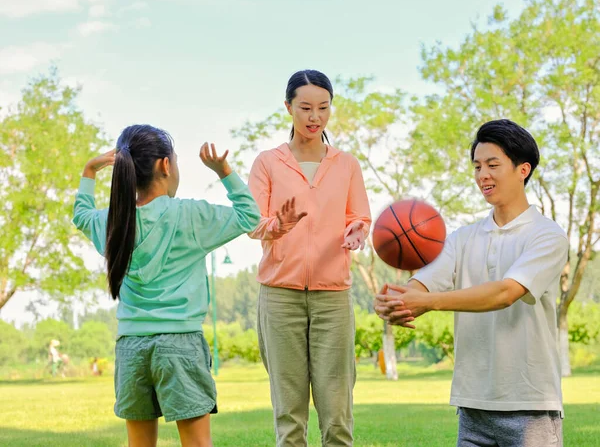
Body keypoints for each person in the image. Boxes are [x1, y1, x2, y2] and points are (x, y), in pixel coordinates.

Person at [375, 119, 568, 447]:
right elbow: (424, 284)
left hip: (531, 405)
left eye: (493, 165)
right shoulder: (462, 238)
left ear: (523, 169)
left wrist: (428, 303)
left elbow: (506, 292)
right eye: (477, 166)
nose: (483, 175)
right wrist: (396, 300)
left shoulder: (547, 235)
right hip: (472, 405)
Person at [73, 125, 260, 447]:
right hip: (181, 344)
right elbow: (249, 216)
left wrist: (89, 170)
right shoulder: (189, 215)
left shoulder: (112, 221)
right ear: (165, 165)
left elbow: (81, 214)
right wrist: (224, 171)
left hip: (131, 347)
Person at [248, 69, 372, 447]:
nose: (314, 116)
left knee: (337, 414)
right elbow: (252, 223)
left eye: (323, 107)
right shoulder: (268, 162)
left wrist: (357, 231)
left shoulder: (346, 164)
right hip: (279, 295)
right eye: (305, 107)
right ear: (288, 108)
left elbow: (360, 217)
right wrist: (277, 225)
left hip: (332, 296)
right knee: (289, 414)